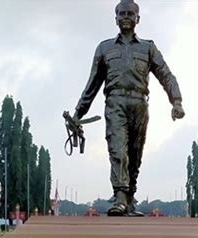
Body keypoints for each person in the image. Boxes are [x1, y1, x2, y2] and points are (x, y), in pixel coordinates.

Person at [74, 0, 185, 216]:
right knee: (118, 150)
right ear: (115, 18)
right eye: (121, 13)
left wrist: (176, 100)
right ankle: (120, 197)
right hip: (115, 102)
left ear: (138, 18)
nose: (126, 17)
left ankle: (130, 196)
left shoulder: (148, 47)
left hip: (139, 104)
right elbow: (93, 84)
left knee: (135, 154)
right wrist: (79, 113)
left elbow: (166, 74)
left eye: (130, 14)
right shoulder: (104, 48)